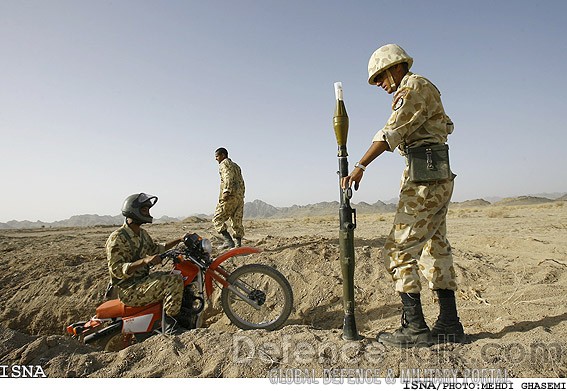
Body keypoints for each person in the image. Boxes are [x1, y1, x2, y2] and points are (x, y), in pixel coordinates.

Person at [342, 43, 465, 347]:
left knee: (398, 251)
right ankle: (449, 323)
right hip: (433, 175)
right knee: (434, 249)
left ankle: (415, 328)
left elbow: (389, 132)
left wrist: (360, 165)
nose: (381, 85)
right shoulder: (420, 88)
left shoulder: (413, 87)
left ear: (397, 67)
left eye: (382, 77)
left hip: (425, 181)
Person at [106, 192, 186, 331]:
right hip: (129, 290)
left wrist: (180, 239)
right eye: (144, 210)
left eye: (148, 209)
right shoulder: (117, 238)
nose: (148, 213)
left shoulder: (142, 234)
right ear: (133, 211)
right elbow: (117, 269)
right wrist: (145, 261)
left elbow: (157, 248)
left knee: (177, 275)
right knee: (174, 282)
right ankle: (170, 327)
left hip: (142, 281)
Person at [212, 147, 246, 249]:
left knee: (217, 219)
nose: (216, 159)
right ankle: (238, 245)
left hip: (230, 196)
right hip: (239, 197)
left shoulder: (224, 163)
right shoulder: (236, 166)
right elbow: (241, 181)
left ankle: (228, 241)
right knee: (236, 220)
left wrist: (226, 191)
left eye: (217, 156)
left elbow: (227, 176)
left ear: (223, 155)